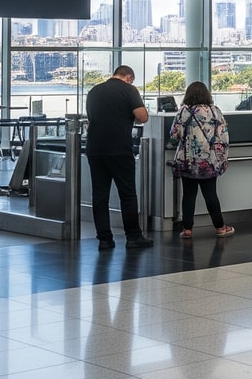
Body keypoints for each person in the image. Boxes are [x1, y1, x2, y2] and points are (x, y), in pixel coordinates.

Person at [85, 65, 154, 249]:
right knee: (128, 194)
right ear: (129, 77)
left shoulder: (94, 91)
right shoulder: (129, 90)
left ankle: (105, 239)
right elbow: (143, 117)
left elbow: (91, 121)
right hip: (119, 149)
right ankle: (133, 237)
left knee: (100, 195)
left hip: (95, 149)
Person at [170, 81, 233, 239]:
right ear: (207, 94)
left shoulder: (183, 111)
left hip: (188, 160)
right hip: (208, 161)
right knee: (210, 194)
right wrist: (222, 158)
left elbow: (174, 134)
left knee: (188, 195)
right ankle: (220, 227)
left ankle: (187, 229)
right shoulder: (214, 111)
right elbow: (223, 137)